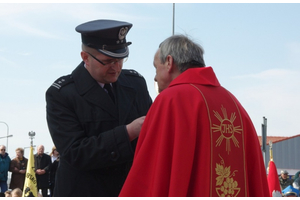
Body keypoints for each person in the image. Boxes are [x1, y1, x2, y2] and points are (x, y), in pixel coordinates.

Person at [119, 35, 269, 197]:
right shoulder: (234, 104)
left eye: (156, 68)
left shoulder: (170, 100)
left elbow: (150, 170)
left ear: (169, 62)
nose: (155, 77)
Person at [46, 19, 152, 197]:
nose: (116, 68)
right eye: (108, 61)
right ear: (85, 57)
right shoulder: (61, 94)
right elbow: (76, 152)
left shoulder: (136, 84)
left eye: (120, 59)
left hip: (129, 190)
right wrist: (127, 133)